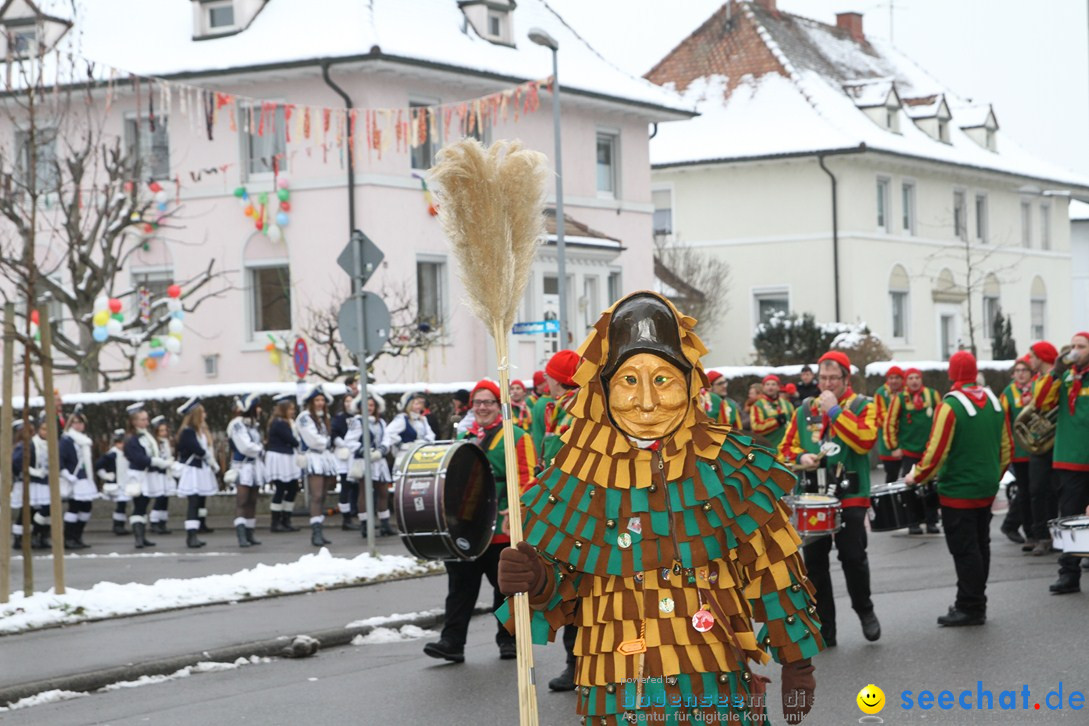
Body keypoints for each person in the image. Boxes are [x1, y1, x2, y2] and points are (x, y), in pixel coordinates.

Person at [498, 292, 820, 725]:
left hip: (712, 686)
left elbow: (777, 574)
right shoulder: (571, 476)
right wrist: (535, 579)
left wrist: (798, 666)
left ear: (689, 382)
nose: (647, 402)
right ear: (603, 387)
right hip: (616, 693)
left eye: (663, 379)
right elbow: (561, 591)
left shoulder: (732, 468)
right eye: (629, 380)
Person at [423, 379, 537, 664]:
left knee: (505, 588)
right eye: (478, 402)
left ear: (499, 406)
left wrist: (516, 510)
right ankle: (452, 642)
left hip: (501, 524)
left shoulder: (517, 436)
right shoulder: (462, 436)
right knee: (460, 585)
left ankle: (508, 639)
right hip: (467, 526)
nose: (483, 407)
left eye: (488, 402)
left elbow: (529, 480)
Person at [781, 350, 881, 647]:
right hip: (813, 495)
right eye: (823, 378)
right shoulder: (804, 410)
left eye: (833, 378)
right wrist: (801, 456)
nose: (826, 383)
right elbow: (784, 450)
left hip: (850, 492)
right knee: (814, 564)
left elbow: (865, 442)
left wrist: (836, 412)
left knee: (853, 557)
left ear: (845, 379)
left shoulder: (863, 405)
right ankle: (825, 626)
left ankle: (865, 611)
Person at [905, 351, 1011, 625]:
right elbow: (1006, 448)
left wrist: (915, 476)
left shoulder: (950, 406)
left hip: (958, 491)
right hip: (986, 487)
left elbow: (936, 452)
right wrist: (992, 477)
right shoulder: (995, 401)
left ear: (951, 374)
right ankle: (976, 599)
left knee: (965, 550)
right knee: (980, 545)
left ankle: (971, 606)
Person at [1033, 332, 1089, 594]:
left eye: (1081, 346)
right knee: (1069, 518)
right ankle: (1069, 574)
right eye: (1073, 346)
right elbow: (1041, 403)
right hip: (1069, 458)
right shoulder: (1066, 376)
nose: (1075, 350)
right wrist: (1056, 372)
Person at [884, 368, 941, 534]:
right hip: (909, 451)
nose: (914, 381)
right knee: (910, 487)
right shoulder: (899, 398)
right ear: (905, 381)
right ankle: (913, 521)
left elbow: (940, 418)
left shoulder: (932, 395)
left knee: (931, 487)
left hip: (929, 451)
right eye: (910, 378)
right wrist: (893, 447)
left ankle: (932, 521)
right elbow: (890, 423)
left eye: (917, 377)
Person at [124, 403, 175, 549]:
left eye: (146, 419)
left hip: (148, 474)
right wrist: (158, 462)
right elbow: (138, 458)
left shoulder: (146, 436)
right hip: (139, 474)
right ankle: (138, 538)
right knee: (139, 505)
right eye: (142, 419)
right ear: (134, 421)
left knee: (144, 504)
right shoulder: (132, 438)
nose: (146, 422)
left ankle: (143, 536)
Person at [1026, 340, 1060, 556]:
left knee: (1057, 491)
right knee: (1037, 490)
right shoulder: (1038, 379)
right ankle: (1041, 535)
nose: (1029, 360)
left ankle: (1055, 534)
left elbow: (1040, 403)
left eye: (1032, 356)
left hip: (1057, 442)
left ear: (1042, 358)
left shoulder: (1053, 379)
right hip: (1041, 443)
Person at [296, 385, 339, 547]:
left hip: (325, 457)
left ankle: (320, 529)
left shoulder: (323, 417)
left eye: (322, 400)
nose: (320, 403)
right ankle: (316, 533)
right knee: (317, 495)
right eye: (317, 400)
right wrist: (326, 442)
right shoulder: (304, 417)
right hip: (314, 457)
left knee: (323, 496)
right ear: (311, 402)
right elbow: (313, 440)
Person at [999, 357, 1034, 545]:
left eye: (1025, 370)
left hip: (1037, 449)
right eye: (1018, 370)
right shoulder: (1008, 393)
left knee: (1034, 490)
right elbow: (1002, 420)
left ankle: (1015, 525)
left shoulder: (1037, 388)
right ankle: (1019, 527)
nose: (1021, 374)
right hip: (1019, 450)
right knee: (1026, 490)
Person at [176, 397, 220, 549]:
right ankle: (191, 536)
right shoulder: (188, 432)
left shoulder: (197, 431)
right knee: (193, 503)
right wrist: (211, 461)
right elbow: (198, 450)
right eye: (202, 413)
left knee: (199, 501)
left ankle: (199, 528)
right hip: (192, 471)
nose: (205, 415)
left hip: (200, 470)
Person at [354, 392, 394, 538]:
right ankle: (365, 525)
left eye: (371, 405)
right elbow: (350, 441)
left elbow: (387, 438)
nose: (369, 407)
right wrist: (365, 450)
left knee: (383, 492)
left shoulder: (381, 422)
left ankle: (385, 524)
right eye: (366, 405)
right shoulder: (356, 421)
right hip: (364, 461)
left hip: (379, 460)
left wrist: (382, 450)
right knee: (364, 492)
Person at [531, 349, 580, 473]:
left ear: (556, 380)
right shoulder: (561, 406)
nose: (546, 381)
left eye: (547, 376)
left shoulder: (573, 410)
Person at [227, 394, 265, 547]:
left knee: (252, 501)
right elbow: (245, 446)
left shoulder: (252, 425)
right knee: (242, 501)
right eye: (257, 406)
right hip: (242, 467)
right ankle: (241, 535)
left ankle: (250, 533)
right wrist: (260, 449)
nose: (260, 409)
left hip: (254, 466)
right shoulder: (237, 424)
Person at [12, 417, 53, 550]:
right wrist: (31, 471)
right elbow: (16, 462)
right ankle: (21, 538)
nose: (46, 432)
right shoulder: (29, 444)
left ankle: (40, 534)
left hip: (45, 482)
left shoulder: (51, 444)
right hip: (31, 482)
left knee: (45, 510)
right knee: (27, 511)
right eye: (43, 429)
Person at [265, 393, 302, 533]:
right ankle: (275, 522)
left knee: (292, 488)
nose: (293, 411)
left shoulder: (288, 422)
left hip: (288, 457)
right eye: (290, 409)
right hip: (280, 458)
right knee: (280, 489)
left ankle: (286, 519)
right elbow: (292, 440)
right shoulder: (279, 423)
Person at [59, 410, 96, 550]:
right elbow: (59, 459)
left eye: (81, 423)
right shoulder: (66, 440)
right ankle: (68, 537)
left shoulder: (84, 440)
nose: (79, 425)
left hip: (84, 478)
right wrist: (67, 474)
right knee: (74, 508)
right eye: (76, 422)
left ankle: (77, 536)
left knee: (86, 508)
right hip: (73, 479)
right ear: (70, 424)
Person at [330, 394, 360, 531]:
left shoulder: (359, 417)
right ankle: (346, 518)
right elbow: (334, 433)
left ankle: (355, 510)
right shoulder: (339, 418)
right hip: (344, 455)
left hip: (357, 454)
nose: (349, 403)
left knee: (357, 486)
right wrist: (343, 444)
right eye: (347, 401)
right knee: (345, 485)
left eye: (351, 401)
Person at [873, 366, 905, 484]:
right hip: (887, 443)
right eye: (891, 378)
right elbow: (880, 417)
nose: (894, 381)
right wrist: (897, 422)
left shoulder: (907, 392)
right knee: (891, 476)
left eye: (897, 378)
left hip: (906, 441)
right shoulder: (881, 393)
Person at [95, 428, 129, 536]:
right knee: (120, 505)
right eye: (119, 443)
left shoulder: (127, 454)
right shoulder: (111, 455)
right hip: (116, 484)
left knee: (123, 505)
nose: (122, 445)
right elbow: (98, 466)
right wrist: (106, 476)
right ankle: (117, 525)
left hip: (125, 482)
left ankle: (121, 525)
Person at [383, 391, 437, 460]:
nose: (419, 406)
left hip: (421, 454)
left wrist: (423, 443)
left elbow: (431, 434)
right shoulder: (402, 418)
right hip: (405, 456)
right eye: (416, 404)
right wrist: (401, 444)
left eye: (420, 404)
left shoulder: (423, 419)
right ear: (409, 404)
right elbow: (389, 432)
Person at [749, 373, 794, 452]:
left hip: (786, 450)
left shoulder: (787, 404)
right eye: (767, 384)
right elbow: (756, 427)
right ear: (763, 387)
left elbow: (794, 424)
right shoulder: (758, 405)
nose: (770, 387)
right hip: (768, 450)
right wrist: (776, 421)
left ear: (778, 387)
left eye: (773, 384)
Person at [148, 416, 176, 536]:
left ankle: (162, 522)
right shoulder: (153, 443)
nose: (164, 433)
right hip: (157, 473)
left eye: (165, 430)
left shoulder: (166, 442)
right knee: (159, 498)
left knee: (165, 498)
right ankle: (154, 522)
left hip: (166, 474)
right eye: (161, 431)